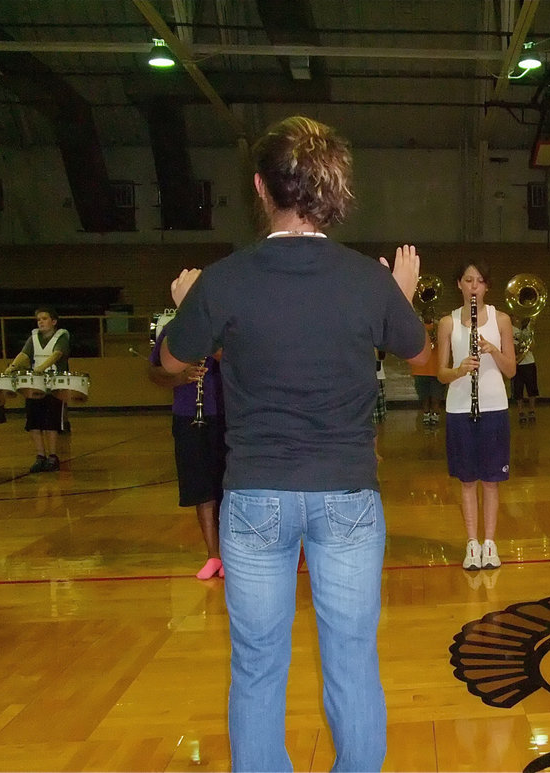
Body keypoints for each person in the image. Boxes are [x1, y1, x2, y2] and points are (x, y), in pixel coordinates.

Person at [159, 115, 429, 772]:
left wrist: (188, 302)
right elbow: (421, 357)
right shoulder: (368, 280)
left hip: (254, 500)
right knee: (353, 663)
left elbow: (172, 361)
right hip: (347, 497)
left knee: (255, 668)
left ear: (260, 186)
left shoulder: (225, 279)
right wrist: (402, 295)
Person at [437, 261, 517, 570]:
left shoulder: (502, 320)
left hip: (495, 406)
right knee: (467, 480)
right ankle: (472, 544)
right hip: (459, 407)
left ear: (486, 286)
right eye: (468, 280)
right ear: (459, 284)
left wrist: (493, 350)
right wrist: (459, 370)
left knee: (492, 482)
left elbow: (510, 370)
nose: (474, 286)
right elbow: (440, 373)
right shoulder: (448, 322)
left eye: (480, 281)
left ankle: (490, 544)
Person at [148, 326, 226, 580]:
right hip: (189, 415)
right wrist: (179, 378)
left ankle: (234, 555)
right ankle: (213, 555)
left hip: (232, 413)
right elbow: (154, 372)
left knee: (232, 488)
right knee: (200, 487)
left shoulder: (229, 323)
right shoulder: (175, 329)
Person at [4, 307, 69, 472]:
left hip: (54, 386)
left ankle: (53, 456)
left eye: (44, 318)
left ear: (53, 322)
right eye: (39, 319)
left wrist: (41, 368)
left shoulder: (62, 336)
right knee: (34, 422)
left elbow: (57, 354)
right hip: (35, 385)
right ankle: (40, 456)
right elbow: (24, 355)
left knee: (51, 422)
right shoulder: (33, 338)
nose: (41, 322)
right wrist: (11, 367)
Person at [411, 318, 445, 427]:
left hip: (437, 370)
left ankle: (435, 415)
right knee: (423, 396)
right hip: (420, 370)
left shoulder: (440, 327)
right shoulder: (417, 328)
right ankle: (426, 414)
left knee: (436, 396)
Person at [511, 317, 539, 424]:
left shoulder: (527, 331)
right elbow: (514, 348)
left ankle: (532, 410)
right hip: (517, 363)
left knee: (532, 388)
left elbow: (532, 347)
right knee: (518, 389)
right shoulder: (511, 331)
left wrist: (527, 341)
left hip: (529, 363)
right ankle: (520, 411)